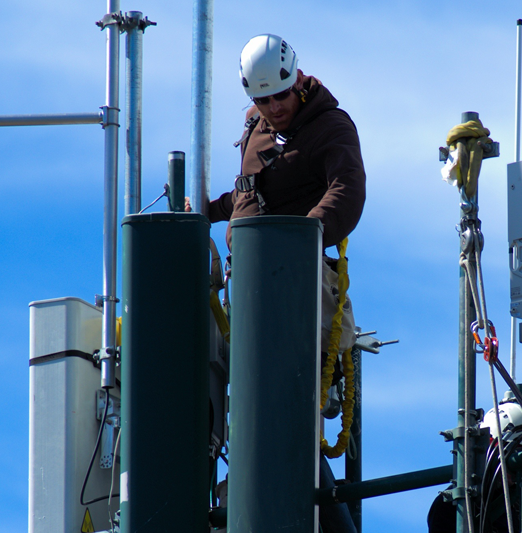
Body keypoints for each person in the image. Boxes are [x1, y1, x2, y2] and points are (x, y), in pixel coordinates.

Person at [200, 34, 364, 533]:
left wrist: (300, 239)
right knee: (237, 401)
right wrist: (204, 212)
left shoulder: (330, 128)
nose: (274, 108)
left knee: (284, 412)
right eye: (262, 100)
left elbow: (347, 190)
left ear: (298, 84)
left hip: (299, 288)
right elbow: (250, 194)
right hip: (249, 288)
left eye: (281, 97)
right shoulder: (256, 126)